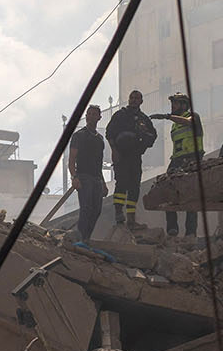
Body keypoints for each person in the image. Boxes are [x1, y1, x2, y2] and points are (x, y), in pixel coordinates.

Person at [105, 90, 157, 230]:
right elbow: (109, 133)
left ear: (141, 101)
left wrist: (143, 141)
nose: (133, 100)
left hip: (135, 156)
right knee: (121, 184)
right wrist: (114, 150)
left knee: (134, 187)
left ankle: (131, 219)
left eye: (136, 98)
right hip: (121, 155)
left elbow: (152, 136)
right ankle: (118, 214)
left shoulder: (144, 119)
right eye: (131, 98)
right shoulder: (120, 115)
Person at [158, 93, 204, 238]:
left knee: (191, 196)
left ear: (184, 105)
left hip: (192, 160)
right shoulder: (175, 125)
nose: (173, 106)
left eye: (176, 103)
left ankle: (190, 232)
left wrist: (167, 116)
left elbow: (189, 122)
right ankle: (172, 229)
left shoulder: (193, 116)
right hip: (177, 160)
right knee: (166, 190)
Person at [67, 105, 107, 245]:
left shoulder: (100, 139)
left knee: (96, 210)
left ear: (99, 117)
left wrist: (103, 182)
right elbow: (72, 159)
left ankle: (86, 238)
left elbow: (99, 162)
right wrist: (74, 177)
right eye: (88, 114)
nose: (90, 116)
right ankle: (81, 238)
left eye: (93, 114)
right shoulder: (79, 135)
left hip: (96, 178)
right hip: (83, 177)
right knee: (86, 207)